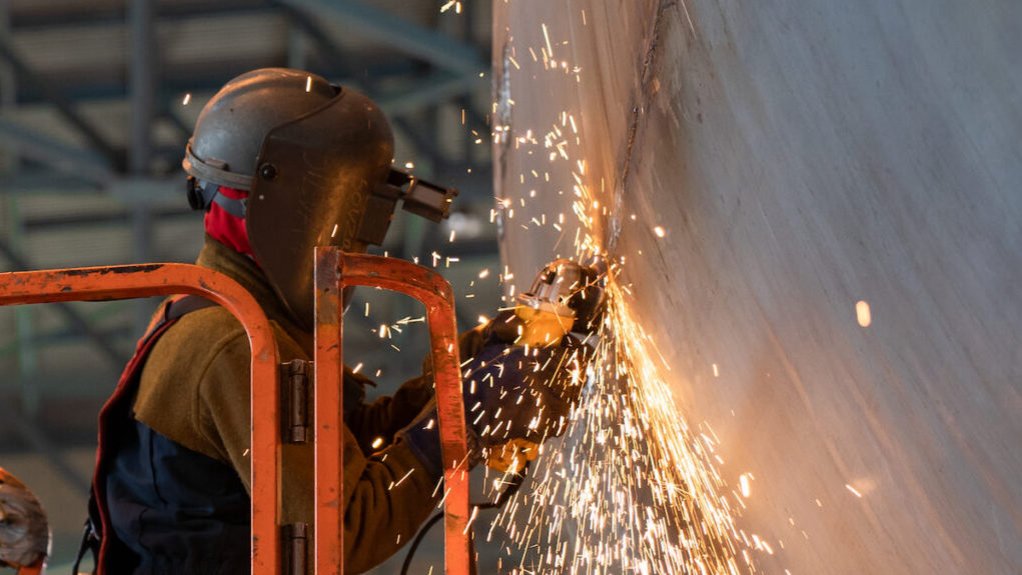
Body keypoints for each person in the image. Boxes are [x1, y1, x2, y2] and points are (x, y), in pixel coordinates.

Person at [78, 68, 582, 575]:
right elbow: (340, 535)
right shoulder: (230, 342)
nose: (356, 258)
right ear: (298, 212)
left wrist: (463, 375)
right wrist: (462, 420)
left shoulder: (236, 318)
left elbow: (347, 452)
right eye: (352, 231)